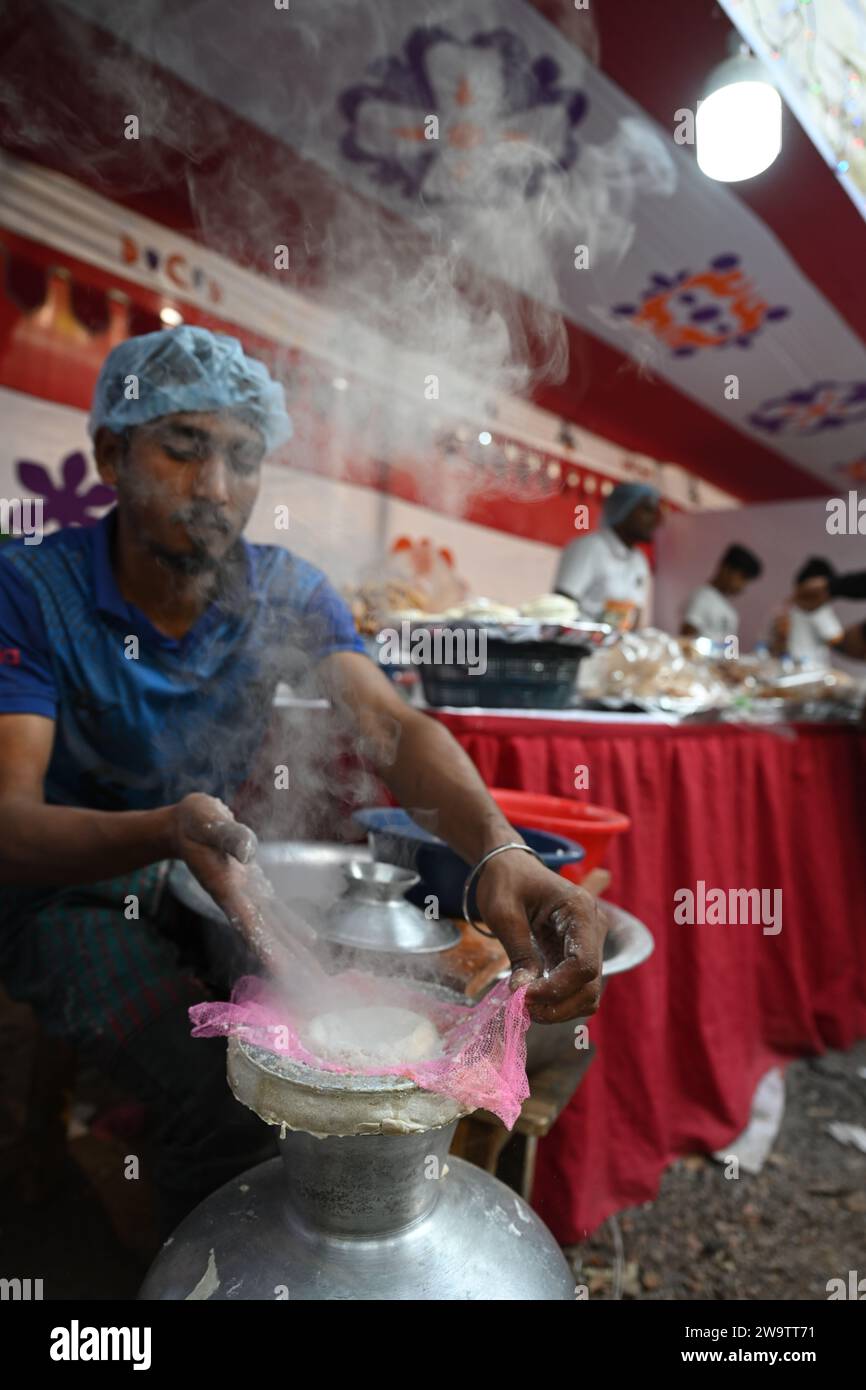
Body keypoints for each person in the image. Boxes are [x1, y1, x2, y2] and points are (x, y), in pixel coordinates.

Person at [0, 327, 604, 1228]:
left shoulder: (284, 588)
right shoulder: (31, 588)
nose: (215, 489)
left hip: (205, 871)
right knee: (219, 1092)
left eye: (244, 457)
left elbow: (393, 724)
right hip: (62, 889)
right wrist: (163, 829)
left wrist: (499, 854)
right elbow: (11, 825)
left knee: (328, 1016)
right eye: (184, 446)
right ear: (110, 453)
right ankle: (194, 1272)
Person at [554, 481, 661, 630]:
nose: (655, 520)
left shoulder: (639, 561)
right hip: (579, 648)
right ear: (624, 509)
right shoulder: (590, 548)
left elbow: (635, 614)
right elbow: (559, 606)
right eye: (647, 510)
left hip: (616, 649)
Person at [768, 558, 844, 668]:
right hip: (810, 669)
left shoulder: (785, 606)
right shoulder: (819, 609)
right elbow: (836, 637)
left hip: (786, 665)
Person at [680, 544, 763, 643]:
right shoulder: (703, 597)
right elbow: (686, 637)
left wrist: (731, 657)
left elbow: (731, 651)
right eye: (742, 578)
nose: (742, 586)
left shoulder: (730, 612)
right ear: (726, 569)